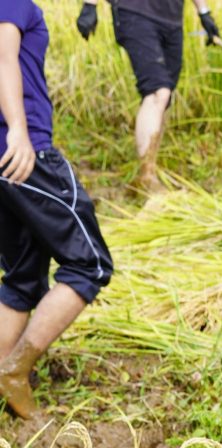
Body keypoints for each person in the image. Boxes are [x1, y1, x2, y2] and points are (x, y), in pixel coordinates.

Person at [0, 0, 114, 419]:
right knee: (90, 265)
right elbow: (3, 56)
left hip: (2, 165)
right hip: (24, 158)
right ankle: (13, 371)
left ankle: (3, 382)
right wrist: (19, 131)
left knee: (22, 278)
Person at [75, 0, 222, 192]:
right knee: (157, 92)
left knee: (165, 97)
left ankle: (151, 168)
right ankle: (147, 177)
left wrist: (204, 13)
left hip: (171, 20)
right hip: (135, 12)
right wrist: (90, 5)